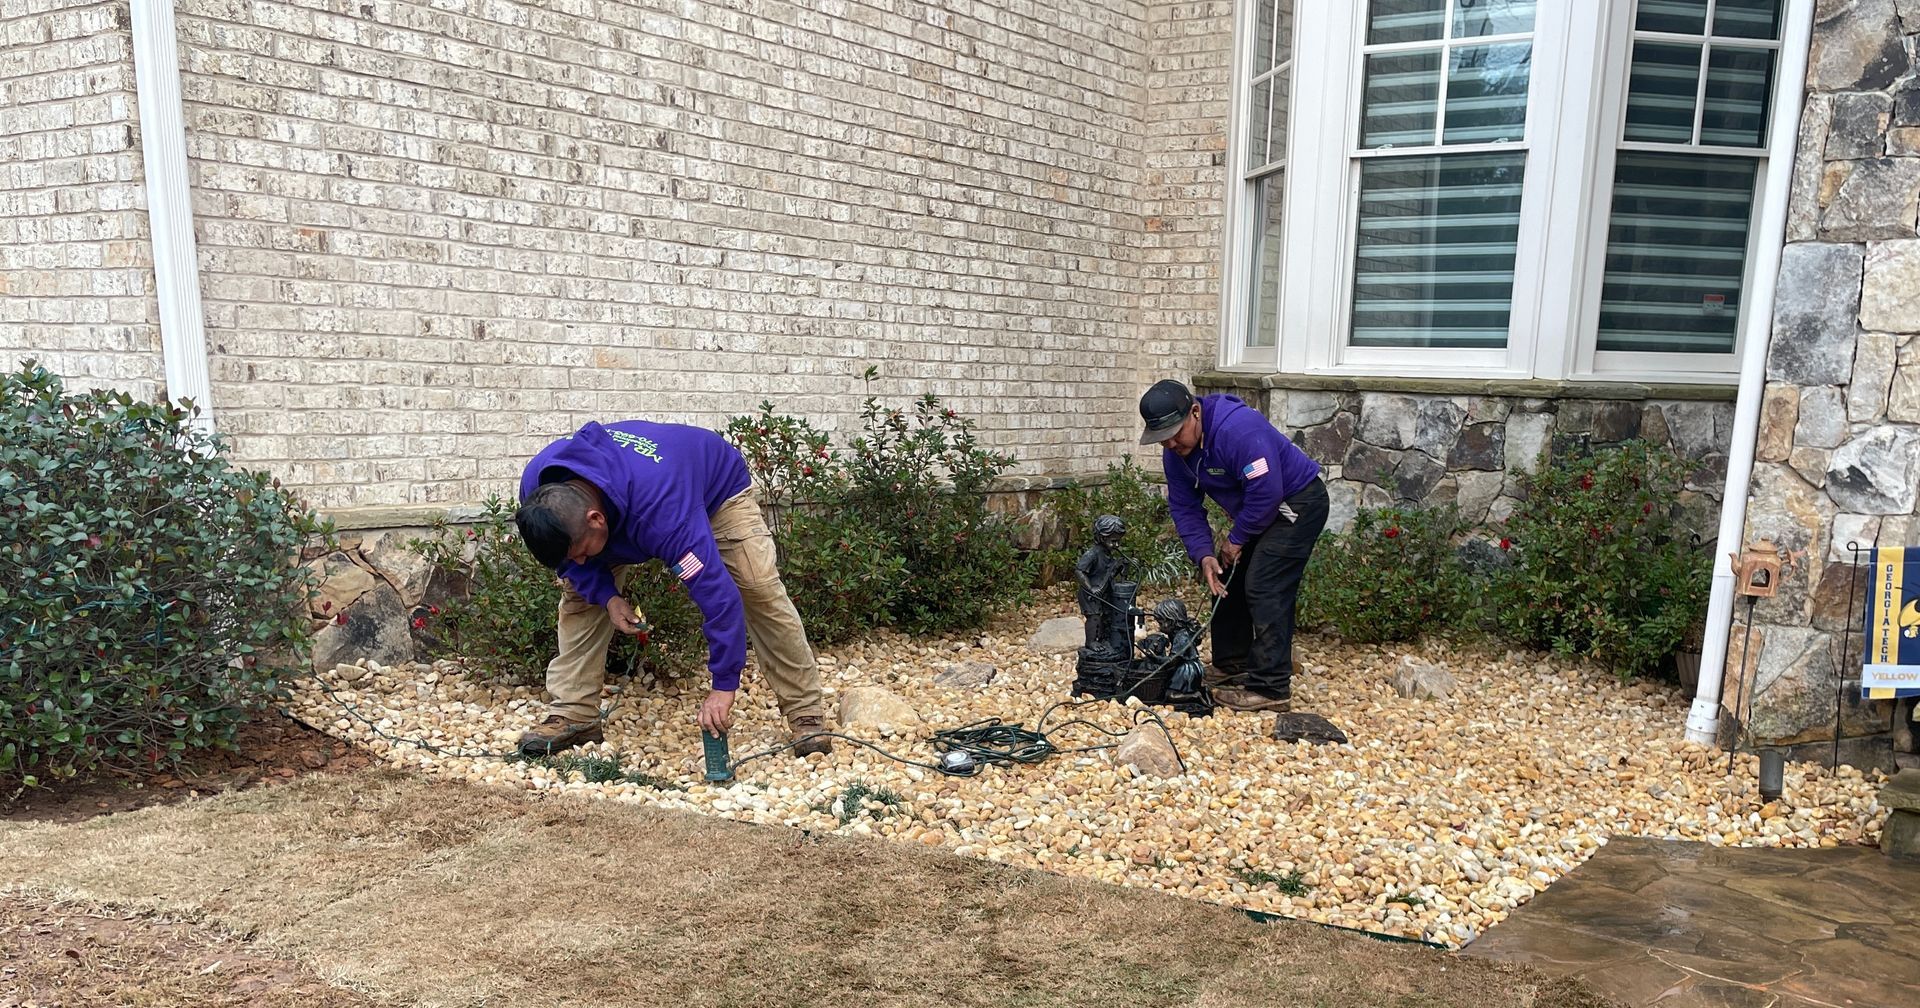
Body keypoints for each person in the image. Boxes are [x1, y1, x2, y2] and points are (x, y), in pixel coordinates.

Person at [511, 419, 831, 758]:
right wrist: (607, 598)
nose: (577, 563)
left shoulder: (665, 514)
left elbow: (718, 596)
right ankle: (575, 714)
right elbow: (569, 562)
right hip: (629, 500)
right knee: (580, 599)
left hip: (716, 492)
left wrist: (724, 687)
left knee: (757, 588)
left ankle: (805, 712)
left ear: (595, 519)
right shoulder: (539, 490)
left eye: (580, 554)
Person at [1138, 379, 1327, 713]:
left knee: (1265, 583)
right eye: (1161, 437)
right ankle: (1232, 663)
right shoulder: (1176, 454)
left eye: (1174, 431)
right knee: (1224, 574)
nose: (1169, 442)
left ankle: (1271, 688)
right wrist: (1205, 556)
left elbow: (1267, 491)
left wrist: (1237, 538)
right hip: (1260, 508)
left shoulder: (1237, 430)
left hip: (1295, 503)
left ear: (1195, 412)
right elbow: (1184, 507)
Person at [1075, 514, 1131, 659]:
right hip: (1091, 593)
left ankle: (1104, 639)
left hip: (1104, 591)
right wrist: (1090, 588)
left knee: (1107, 615)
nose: (1116, 545)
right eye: (1113, 541)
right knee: (1094, 617)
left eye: (1118, 541)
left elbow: (1110, 573)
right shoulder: (1093, 554)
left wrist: (1122, 567)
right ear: (1101, 538)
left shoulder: (1108, 553)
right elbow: (1079, 571)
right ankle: (1091, 642)